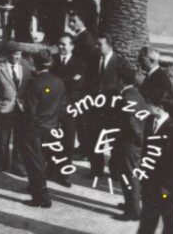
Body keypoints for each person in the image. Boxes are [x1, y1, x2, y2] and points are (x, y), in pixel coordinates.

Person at [139, 83, 173, 234]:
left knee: (169, 221)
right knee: (147, 219)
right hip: (149, 183)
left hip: (166, 188)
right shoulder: (149, 122)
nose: (146, 107)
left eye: (149, 105)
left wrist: (167, 187)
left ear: (159, 107)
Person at [19, 49, 65, 207]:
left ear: (36, 64)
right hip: (51, 127)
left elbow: (30, 112)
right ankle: (34, 187)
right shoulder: (58, 81)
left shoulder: (35, 83)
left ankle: (42, 198)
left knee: (35, 163)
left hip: (35, 130)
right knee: (42, 160)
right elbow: (61, 106)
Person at [88, 32, 132, 180]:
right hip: (96, 108)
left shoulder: (120, 62)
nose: (97, 47)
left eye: (100, 44)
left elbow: (130, 80)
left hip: (113, 110)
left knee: (114, 141)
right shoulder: (94, 60)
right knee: (95, 139)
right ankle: (96, 170)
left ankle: (115, 172)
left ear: (109, 46)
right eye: (97, 44)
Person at [0, 45, 31, 173]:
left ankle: (17, 166)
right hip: (3, 110)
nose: (16, 57)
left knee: (20, 139)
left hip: (20, 110)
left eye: (19, 54)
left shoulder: (25, 70)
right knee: (3, 139)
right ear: (7, 54)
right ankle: (3, 163)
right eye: (14, 54)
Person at [110, 67, 148, 221]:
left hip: (128, 144)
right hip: (130, 143)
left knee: (130, 177)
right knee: (128, 176)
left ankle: (134, 211)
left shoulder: (127, 97)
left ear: (121, 80)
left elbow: (132, 122)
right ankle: (130, 204)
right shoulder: (135, 94)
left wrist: (139, 140)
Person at [52, 34, 85, 169]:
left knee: (68, 139)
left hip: (70, 107)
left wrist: (59, 82)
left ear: (72, 46)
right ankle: (51, 168)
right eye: (59, 44)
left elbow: (78, 85)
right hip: (53, 105)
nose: (61, 47)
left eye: (64, 44)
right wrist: (70, 80)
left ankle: (64, 171)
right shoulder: (52, 60)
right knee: (52, 138)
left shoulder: (80, 63)